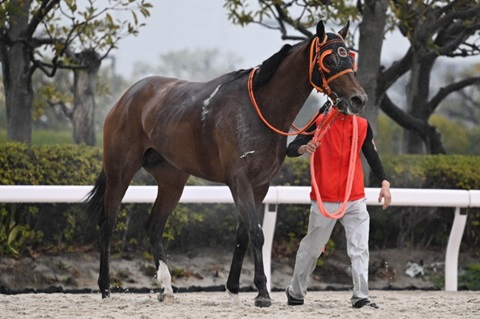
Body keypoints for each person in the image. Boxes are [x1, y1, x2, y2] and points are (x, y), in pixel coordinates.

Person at [285, 107, 392, 309]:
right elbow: (291, 149)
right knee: (313, 249)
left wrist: (384, 182)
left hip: (355, 197)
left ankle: (361, 296)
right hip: (324, 197)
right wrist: (304, 148)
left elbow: (371, 154)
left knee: (359, 247)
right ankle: (295, 292)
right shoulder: (318, 120)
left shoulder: (362, 125)